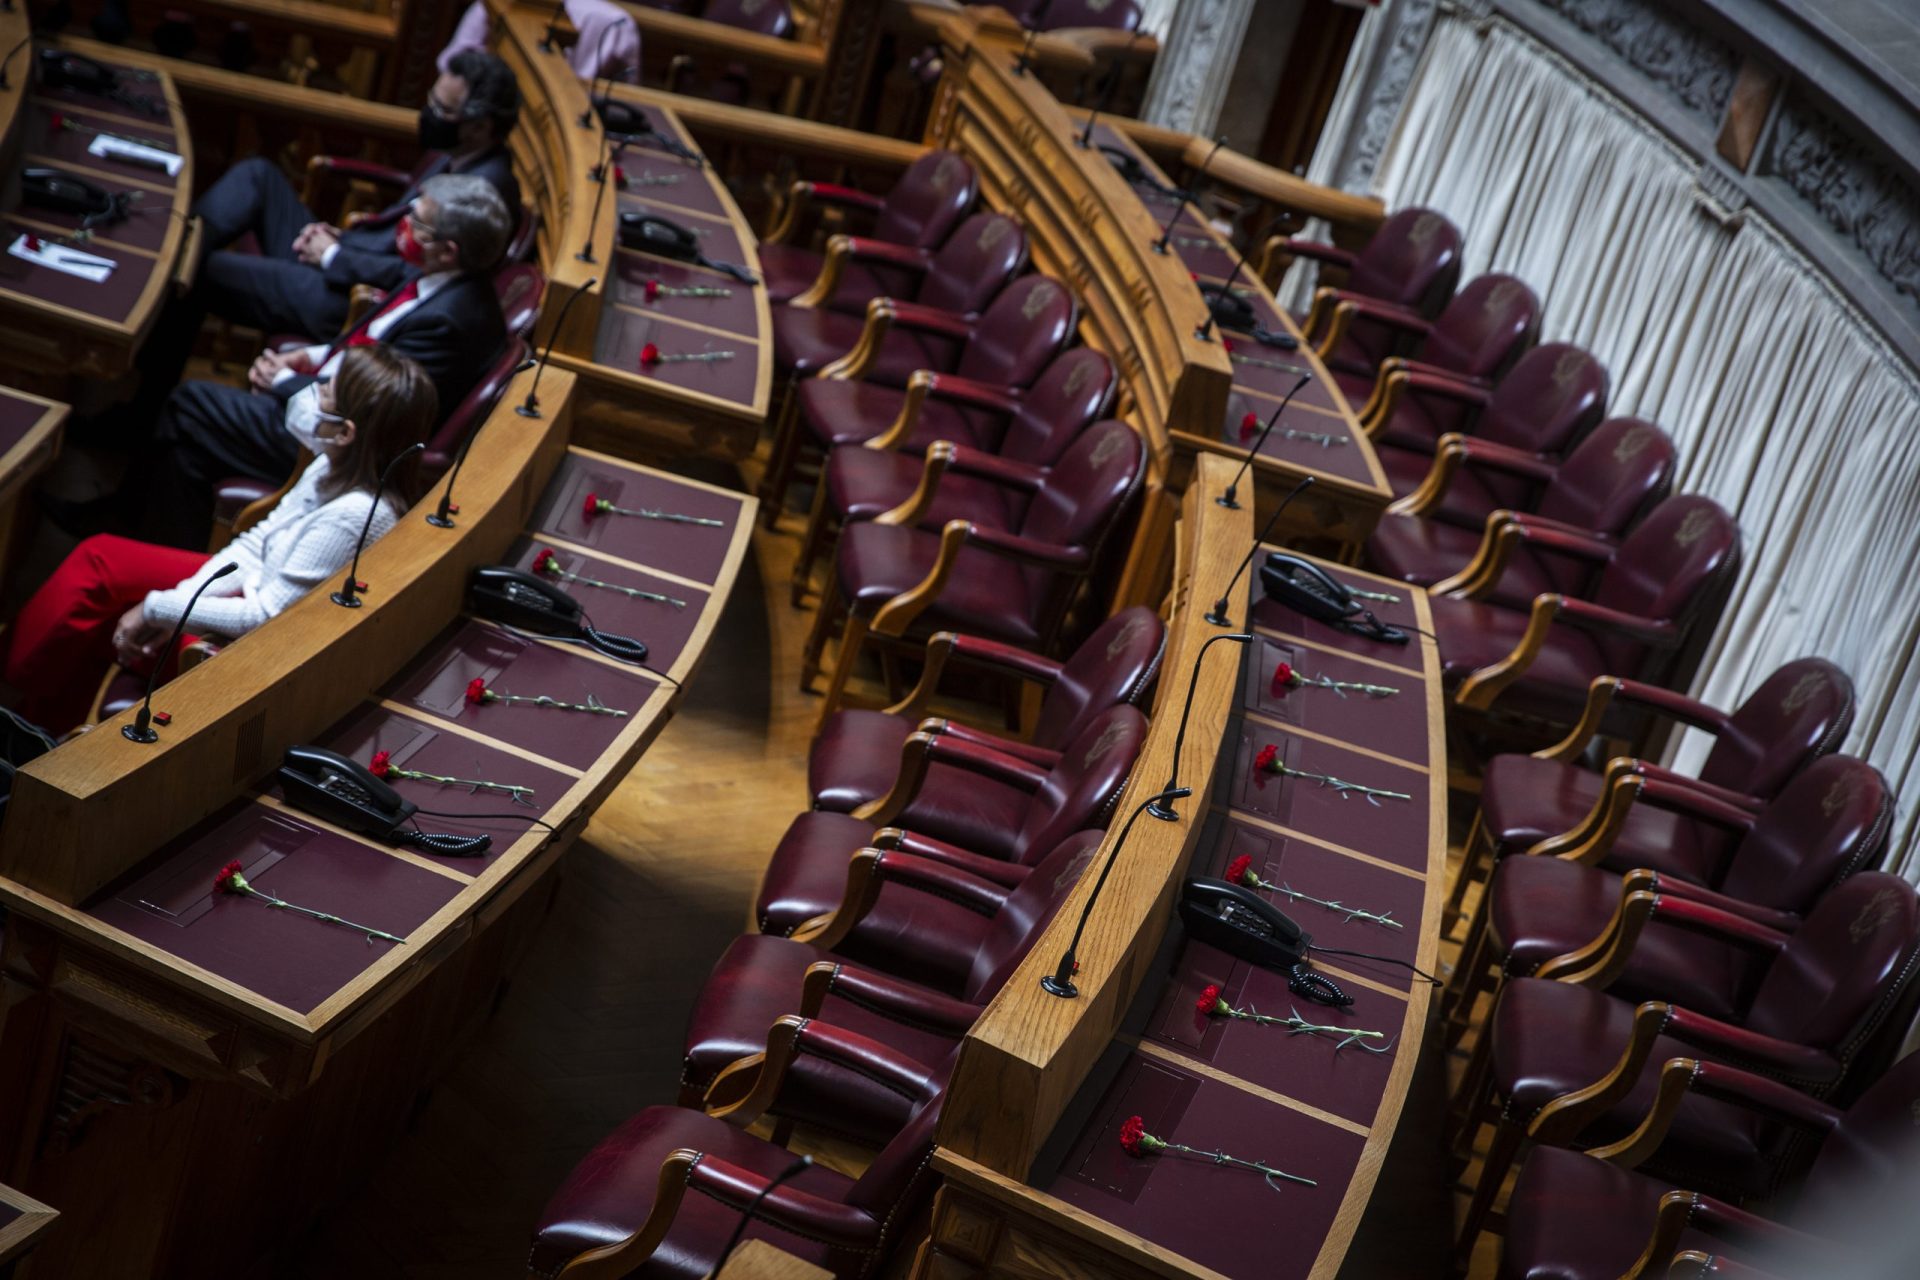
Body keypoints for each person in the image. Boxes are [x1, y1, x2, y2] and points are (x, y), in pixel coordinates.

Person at [5, 346, 435, 737]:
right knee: (103, 559)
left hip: (250, 653)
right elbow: (254, 545)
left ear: (346, 432)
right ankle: (22, 693)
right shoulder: (335, 463)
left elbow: (265, 617)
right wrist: (180, 599)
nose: (315, 390)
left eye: (326, 391)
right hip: (249, 592)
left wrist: (160, 608)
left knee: (124, 619)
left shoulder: (355, 516)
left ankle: (28, 721)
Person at [88, 173, 510, 551]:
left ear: (448, 250)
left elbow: (372, 411)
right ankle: (148, 536)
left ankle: (135, 530)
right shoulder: (437, 275)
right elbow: (371, 337)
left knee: (189, 406)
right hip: (329, 394)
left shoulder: (452, 322)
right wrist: (309, 357)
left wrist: (284, 381)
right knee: (187, 448)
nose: (405, 229)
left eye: (417, 223)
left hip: (337, 443)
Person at [191, 48, 522, 341]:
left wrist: (335, 255)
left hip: (352, 298)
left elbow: (421, 275)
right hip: (347, 257)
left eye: (442, 110)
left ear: (481, 126)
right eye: (431, 100)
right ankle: (184, 238)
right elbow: (396, 224)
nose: (428, 113)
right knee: (257, 174)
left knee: (204, 270)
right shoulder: (455, 151)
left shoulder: (488, 193)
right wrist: (337, 238)